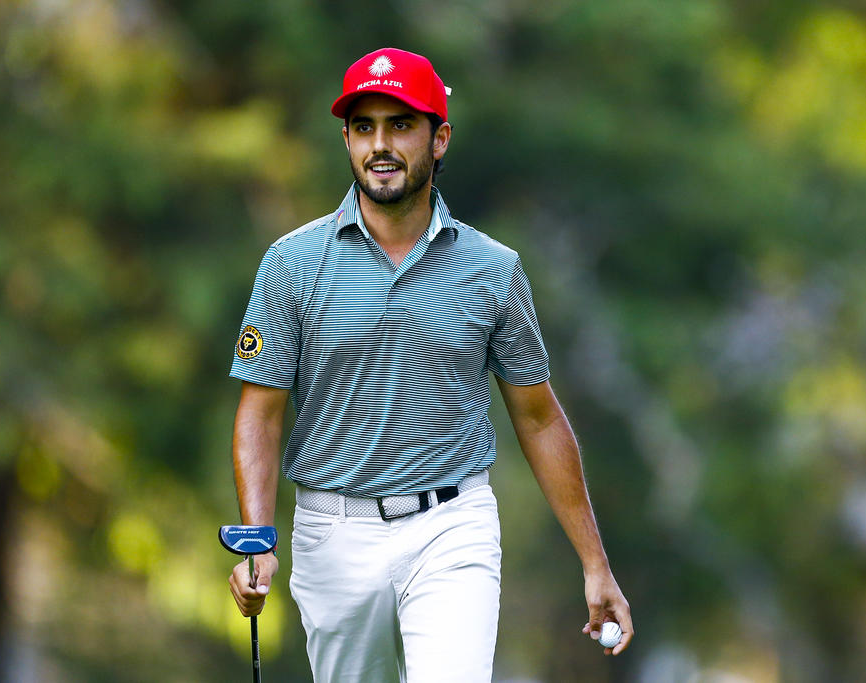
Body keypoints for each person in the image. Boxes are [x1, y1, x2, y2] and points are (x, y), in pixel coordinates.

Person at [227, 47, 633, 681]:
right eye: (364, 127)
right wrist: (257, 539)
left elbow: (538, 418)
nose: (380, 145)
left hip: (452, 526)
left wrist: (595, 564)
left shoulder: (493, 270)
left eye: (400, 125)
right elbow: (260, 413)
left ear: (439, 139)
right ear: (346, 139)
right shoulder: (292, 263)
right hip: (333, 534)